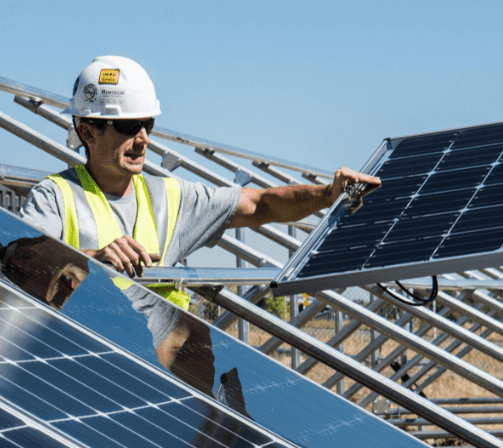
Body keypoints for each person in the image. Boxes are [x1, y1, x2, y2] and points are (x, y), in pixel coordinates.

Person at [18, 55, 380, 310]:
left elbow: (261, 204)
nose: (143, 139)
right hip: (82, 370)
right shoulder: (55, 198)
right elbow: (19, 269)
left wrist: (329, 193)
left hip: (154, 372)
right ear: (87, 132)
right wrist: (91, 260)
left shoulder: (171, 198)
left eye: (148, 125)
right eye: (129, 127)